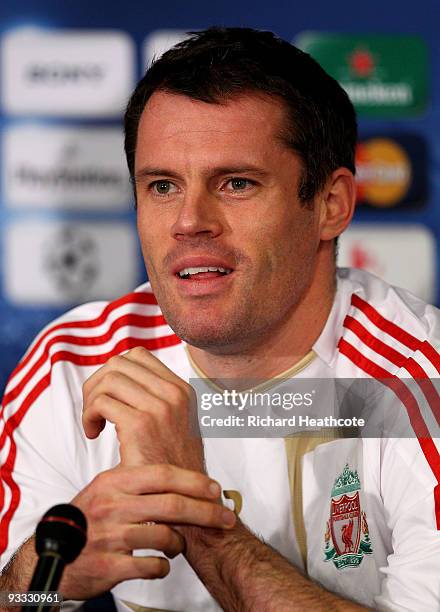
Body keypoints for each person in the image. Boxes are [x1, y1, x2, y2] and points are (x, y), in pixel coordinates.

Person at [1, 26, 439, 611]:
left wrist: (201, 522)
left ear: (331, 205)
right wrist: (45, 576)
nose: (189, 222)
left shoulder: (419, 379)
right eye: (162, 186)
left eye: (236, 183)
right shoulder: (72, 365)